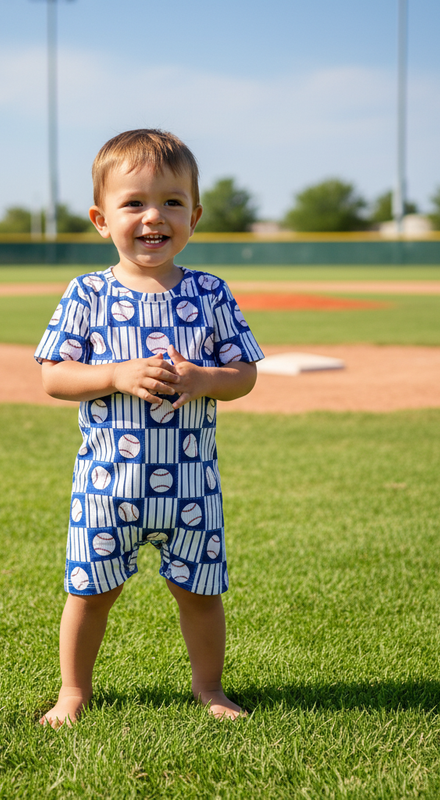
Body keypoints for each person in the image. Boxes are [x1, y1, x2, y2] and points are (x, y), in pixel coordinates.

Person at [34, 129, 264, 727]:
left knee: (200, 593)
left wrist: (202, 379)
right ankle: (73, 694)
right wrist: (113, 373)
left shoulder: (210, 292)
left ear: (195, 215)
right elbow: (54, 379)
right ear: (101, 219)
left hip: (191, 485)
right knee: (89, 593)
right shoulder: (88, 293)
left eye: (171, 202)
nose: (152, 216)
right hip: (108, 483)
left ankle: (209, 689)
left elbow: (244, 374)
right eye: (133, 202)